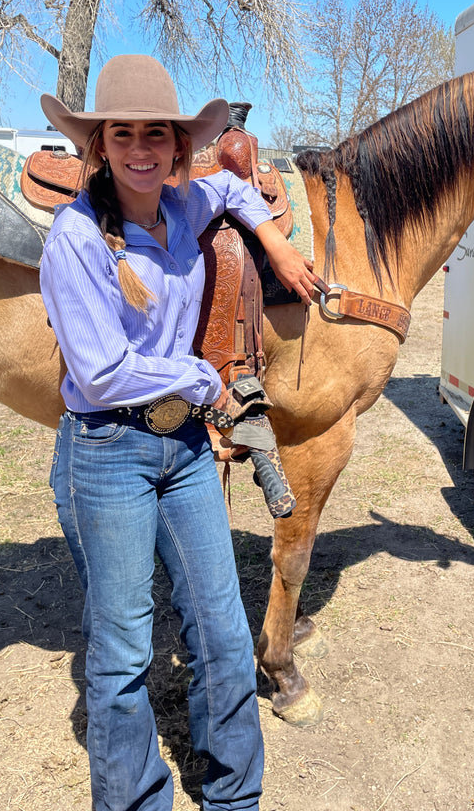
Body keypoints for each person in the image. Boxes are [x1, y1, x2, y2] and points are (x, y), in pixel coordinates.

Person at [39, 54, 316, 811]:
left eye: (155, 133)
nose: (140, 149)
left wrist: (276, 242)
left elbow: (232, 187)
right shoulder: (75, 237)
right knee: (123, 652)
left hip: (186, 450)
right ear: (100, 145)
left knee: (223, 632)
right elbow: (101, 373)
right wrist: (201, 380)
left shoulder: (185, 203)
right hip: (109, 451)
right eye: (122, 134)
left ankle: (235, 797)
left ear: (177, 144)